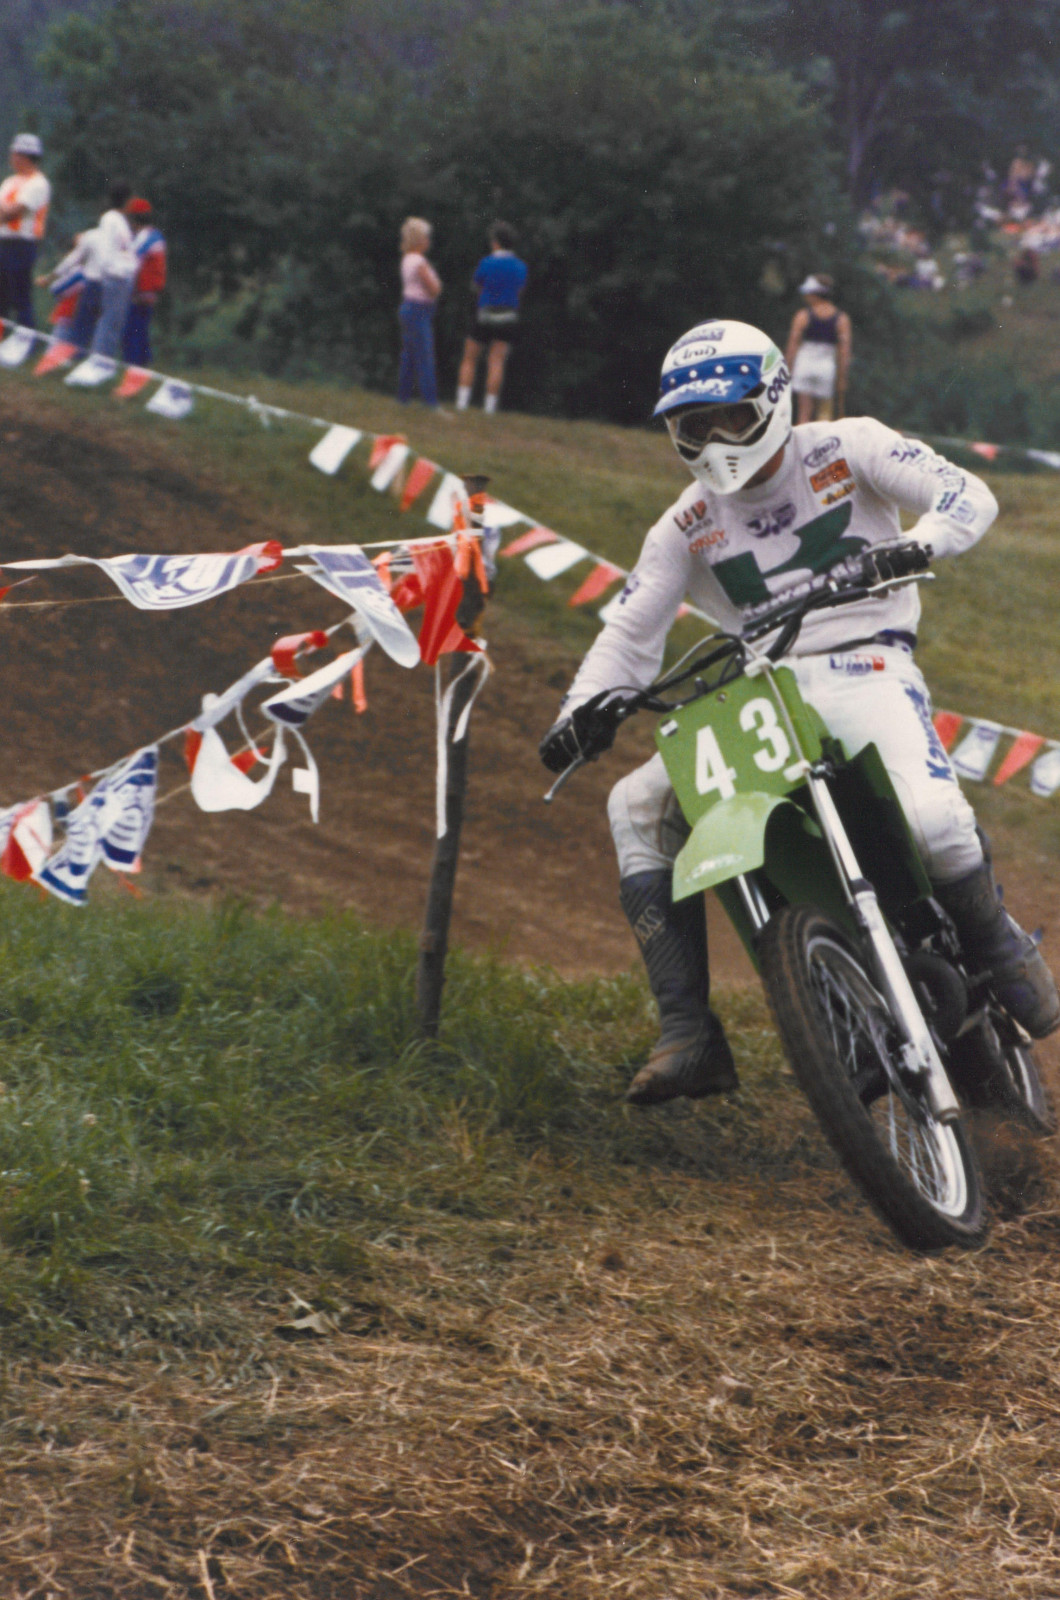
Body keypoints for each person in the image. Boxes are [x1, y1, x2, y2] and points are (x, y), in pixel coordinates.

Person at [539, 319, 1059, 1106]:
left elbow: (967, 494)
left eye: (729, 419)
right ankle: (688, 1031)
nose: (714, 444)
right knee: (634, 805)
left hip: (867, 663)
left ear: (775, 399)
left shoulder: (850, 445)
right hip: (761, 691)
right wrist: (581, 713)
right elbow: (629, 634)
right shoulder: (684, 523)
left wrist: (918, 546)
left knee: (935, 822)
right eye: (691, 428)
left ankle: (998, 945)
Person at [456, 221, 528, 414]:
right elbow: (520, 290)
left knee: (470, 357)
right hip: (508, 317)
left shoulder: (487, 262)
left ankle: (462, 403)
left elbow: (477, 285)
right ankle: (489, 408)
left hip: (485, 314)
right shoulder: (520, 266)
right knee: (496, 361)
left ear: (495, 242)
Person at [785, 274, 852, 424]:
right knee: (824, 414)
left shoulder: (803, 316)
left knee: (804, 413)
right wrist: (842, 377)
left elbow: (793, 345)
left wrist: (787, 368)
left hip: (804, 365)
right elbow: (844, 352)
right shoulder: (841, 319)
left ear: (816, 294)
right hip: (826, 368)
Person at [0, 133, 51, 329]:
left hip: (21, 244)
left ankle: (28, 340)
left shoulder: (38, 183)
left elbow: (14, 212)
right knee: (2, 295)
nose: (12, 157)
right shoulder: (10, 182)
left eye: (15, 153)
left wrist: (6, 209)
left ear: (25, 156)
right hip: (4, 241)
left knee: (20, 294)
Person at [89, 182, 140, 358]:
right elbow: (107, 248)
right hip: (116, 275)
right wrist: (113, 270)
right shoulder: (110, 219)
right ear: (125, 199)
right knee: (110, 321)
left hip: (123, 275)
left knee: (115, 321)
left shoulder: (120, 220)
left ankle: (103, 358)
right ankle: (100, 359)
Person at [397, 217, 441, 407]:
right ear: (419, 239)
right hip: (419, 309)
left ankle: (403, 397)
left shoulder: (407, 258)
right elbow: (432, 288)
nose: (428, 240)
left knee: (410, 355)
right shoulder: (419, 262)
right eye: (426, 236)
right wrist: (437, 288)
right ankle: (431, 402)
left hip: (409, 307)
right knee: (424, 355)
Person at [122, 198, 167, 366]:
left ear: (134, 219)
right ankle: (144, 364)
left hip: (142, 290)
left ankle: (133, 366)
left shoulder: (145, 237)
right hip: (150, 290)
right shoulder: (156, 235)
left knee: (132, 330)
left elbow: (131, 258)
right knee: (140, 329)